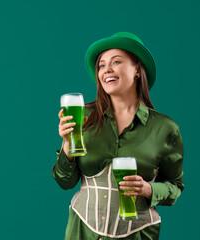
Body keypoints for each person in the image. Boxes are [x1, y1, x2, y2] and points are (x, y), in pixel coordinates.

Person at [52, 32, 184, 240]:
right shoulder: (83, 118)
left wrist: (148, 188)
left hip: (137, 233)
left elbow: (175, 188)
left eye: (116, 62)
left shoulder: (164, 128)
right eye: (101, 65)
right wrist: (67, 144)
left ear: (138, 69)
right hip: (82, 230)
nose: (107, 70)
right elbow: (65, 182)